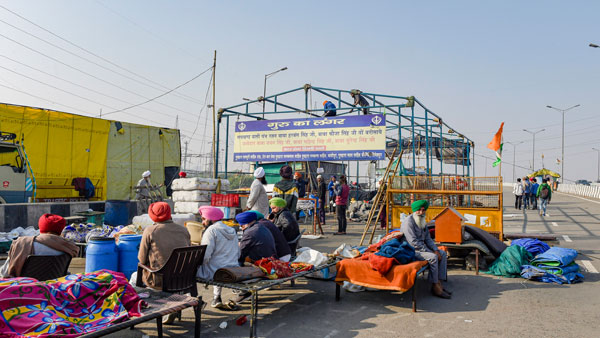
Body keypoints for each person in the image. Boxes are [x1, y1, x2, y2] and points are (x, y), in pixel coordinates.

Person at [0, 214, 79, 278]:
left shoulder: (22, 243)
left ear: (41, 226)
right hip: (51, 290)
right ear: (61, 229)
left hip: (24, 290)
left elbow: (5, 273)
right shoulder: (68, 247)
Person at [401, 200, 451, 299]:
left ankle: (439, 282)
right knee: (433, 257)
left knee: (443, 253)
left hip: (421, 249)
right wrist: (431, 252)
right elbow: (413, 242)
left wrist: (435, 249)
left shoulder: (422, 220)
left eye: (423, 210)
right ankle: (435, 285)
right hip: (411, 250)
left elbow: (428, 238)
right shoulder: (408, 222)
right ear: (415, 211)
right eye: (419, 210)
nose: (421, 212)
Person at [136, 202, 191, 289]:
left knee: (133, 278)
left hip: (159, 280)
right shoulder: (184, 230)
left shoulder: (150, 231)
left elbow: (141, 259)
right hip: (182, 279)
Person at [196, 206, 240, 309]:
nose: (203, 223)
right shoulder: (231, 230)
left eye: (204, 219)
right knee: (217, 262)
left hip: (215, 273)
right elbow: (237, 253)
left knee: (189, 271)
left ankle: (194, 301)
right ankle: (216, 297)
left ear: (212, 219)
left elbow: (205, 256)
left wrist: (196, 264)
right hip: (233, 269)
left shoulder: (211, 231)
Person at [235, 211, 277, 304]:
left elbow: (241, 253)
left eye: (241, 226)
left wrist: (237, 264)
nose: (241, 228)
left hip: (264, 265)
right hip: (272, 260)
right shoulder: (261, 227)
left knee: (234, 265)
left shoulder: (250, 232)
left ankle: (244, 292)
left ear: (245, 224)